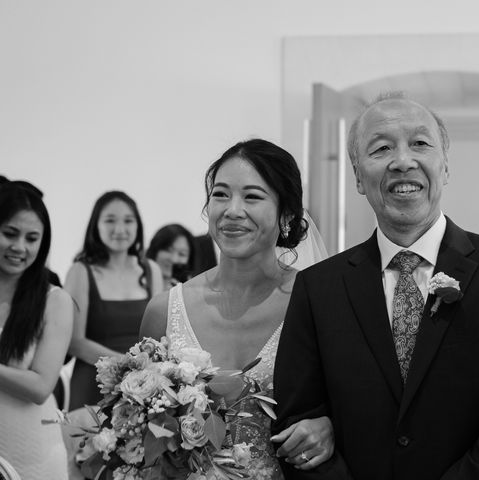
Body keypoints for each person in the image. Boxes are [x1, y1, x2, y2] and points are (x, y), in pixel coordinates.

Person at [273, 93, 479, 479]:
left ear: (445, 167)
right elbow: (300, 419)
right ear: (358, 176)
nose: (403, 161)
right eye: (381, 148)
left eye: (420, 144)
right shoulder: (319, 287)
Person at [140, 139, 334, 479]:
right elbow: (146, 430)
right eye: (221, 194)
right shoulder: (164, 309)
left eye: (253, 196)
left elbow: (356, 403)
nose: (232, 210)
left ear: (286, 214)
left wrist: (330, 426)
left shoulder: (319, 301)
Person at [0, 182, 74, 479]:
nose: (20, 247)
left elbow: (40, 387)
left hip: (30, 453)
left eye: (32, 238)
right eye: (9, 234)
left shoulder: (54, 300)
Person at [65, 191, 163, 411]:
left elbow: (159, 336)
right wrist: (128, 364)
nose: (119, 229)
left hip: (144, 388)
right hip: (94, 383)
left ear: (138, 225)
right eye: (110, 220)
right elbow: (75, 341)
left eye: (128, 221)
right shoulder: (80, 271)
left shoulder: (152, 270)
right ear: (95, 225)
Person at [146, 223, 196, 290]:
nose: (173, 259)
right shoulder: (137, 284)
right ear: (155, 250)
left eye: (182, 254)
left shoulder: (192, 290)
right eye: (168, 250)